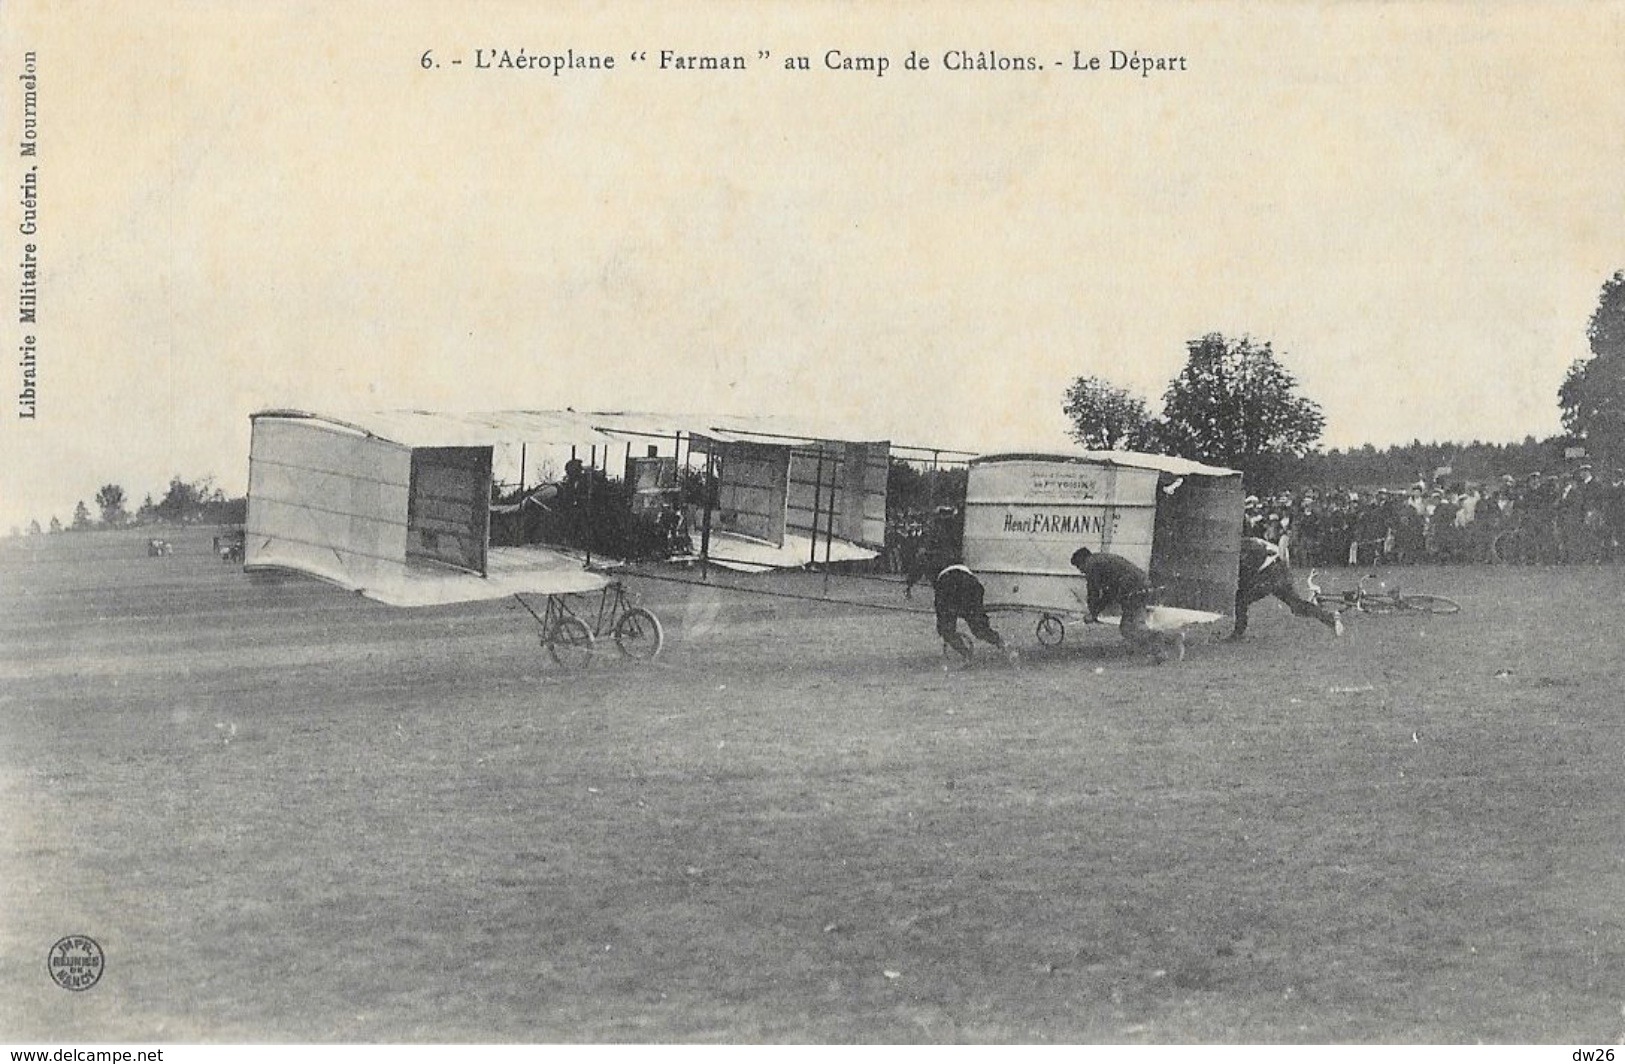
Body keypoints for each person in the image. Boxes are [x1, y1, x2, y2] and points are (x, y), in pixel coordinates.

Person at [1068, 547, 1185, 664]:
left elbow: (1094, 592)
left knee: (1130, 629)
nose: (1081, 571)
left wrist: (1093, 613)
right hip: (1139, 587)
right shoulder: (1101, 559)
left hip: (1133, 591)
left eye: (1079, 567)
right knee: (1130, 627)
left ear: (1083, 561)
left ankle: (1165, 644)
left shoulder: (1092, 565)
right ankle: (1165, 644)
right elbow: (1109, 590)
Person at [1230, 536, 1343, 640]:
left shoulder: (1246, 547)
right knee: (1297, 606)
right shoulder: (1248, 543)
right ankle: (1331, 619)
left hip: (1272, 572)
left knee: (1240, 598)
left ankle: (1239, 632)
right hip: (1278, 570)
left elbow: (1247, 574)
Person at [908, 559, 1016, 666]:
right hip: (970, 583)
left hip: (947, 585)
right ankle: (1002, 644)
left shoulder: (929, 558)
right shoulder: (954, 557)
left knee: (946, 629)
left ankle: (966, 654)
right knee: (979, 626)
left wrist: (909, 585)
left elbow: (918, 567)